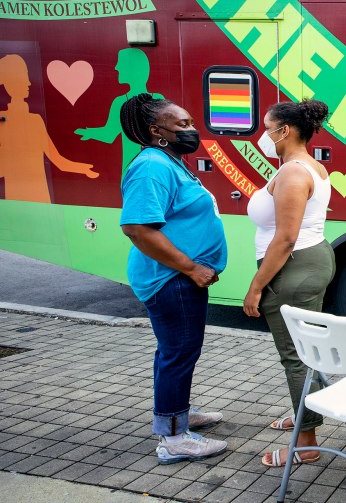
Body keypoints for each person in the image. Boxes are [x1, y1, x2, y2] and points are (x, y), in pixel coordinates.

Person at [119, 93, 228, 464]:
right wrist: (192, 267)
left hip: (177, 278)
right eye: (183, 125)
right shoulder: (152, 165)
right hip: (171, 280)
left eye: (191, 123)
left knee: (175, 352)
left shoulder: (169, 161)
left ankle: (176, 414)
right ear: (157, 130)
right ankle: (174, 438)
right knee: (178, 354)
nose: (192, 130)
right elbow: (136, 227)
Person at [242, 99, 336, 467]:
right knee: (305, 350)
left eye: (267, 128)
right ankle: (304, 414)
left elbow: (285, 239)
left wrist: (255, 287)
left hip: (292, 268)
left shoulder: (294, 174)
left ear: (286, 131)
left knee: (296, 356)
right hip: (310, 260)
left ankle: (308, 441)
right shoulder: (309, 166)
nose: (263, 135)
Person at [0, 53, 98, 203]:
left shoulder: (35, 120)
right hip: (17, 198)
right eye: (23, 77)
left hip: (40, 198)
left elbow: (58, 160)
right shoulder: (4, 120)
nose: (29, 83)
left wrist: (83, 169)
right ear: (10, 82)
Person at [77, 48, 162, 176]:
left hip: (132, 166)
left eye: (120, 64)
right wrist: (89, 132)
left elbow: (108, 135)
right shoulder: (158, 98)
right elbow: (110, 135)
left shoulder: (121, 102)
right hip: (157, 163)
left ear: (133, 69)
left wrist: (89, 133)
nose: (116, 68)